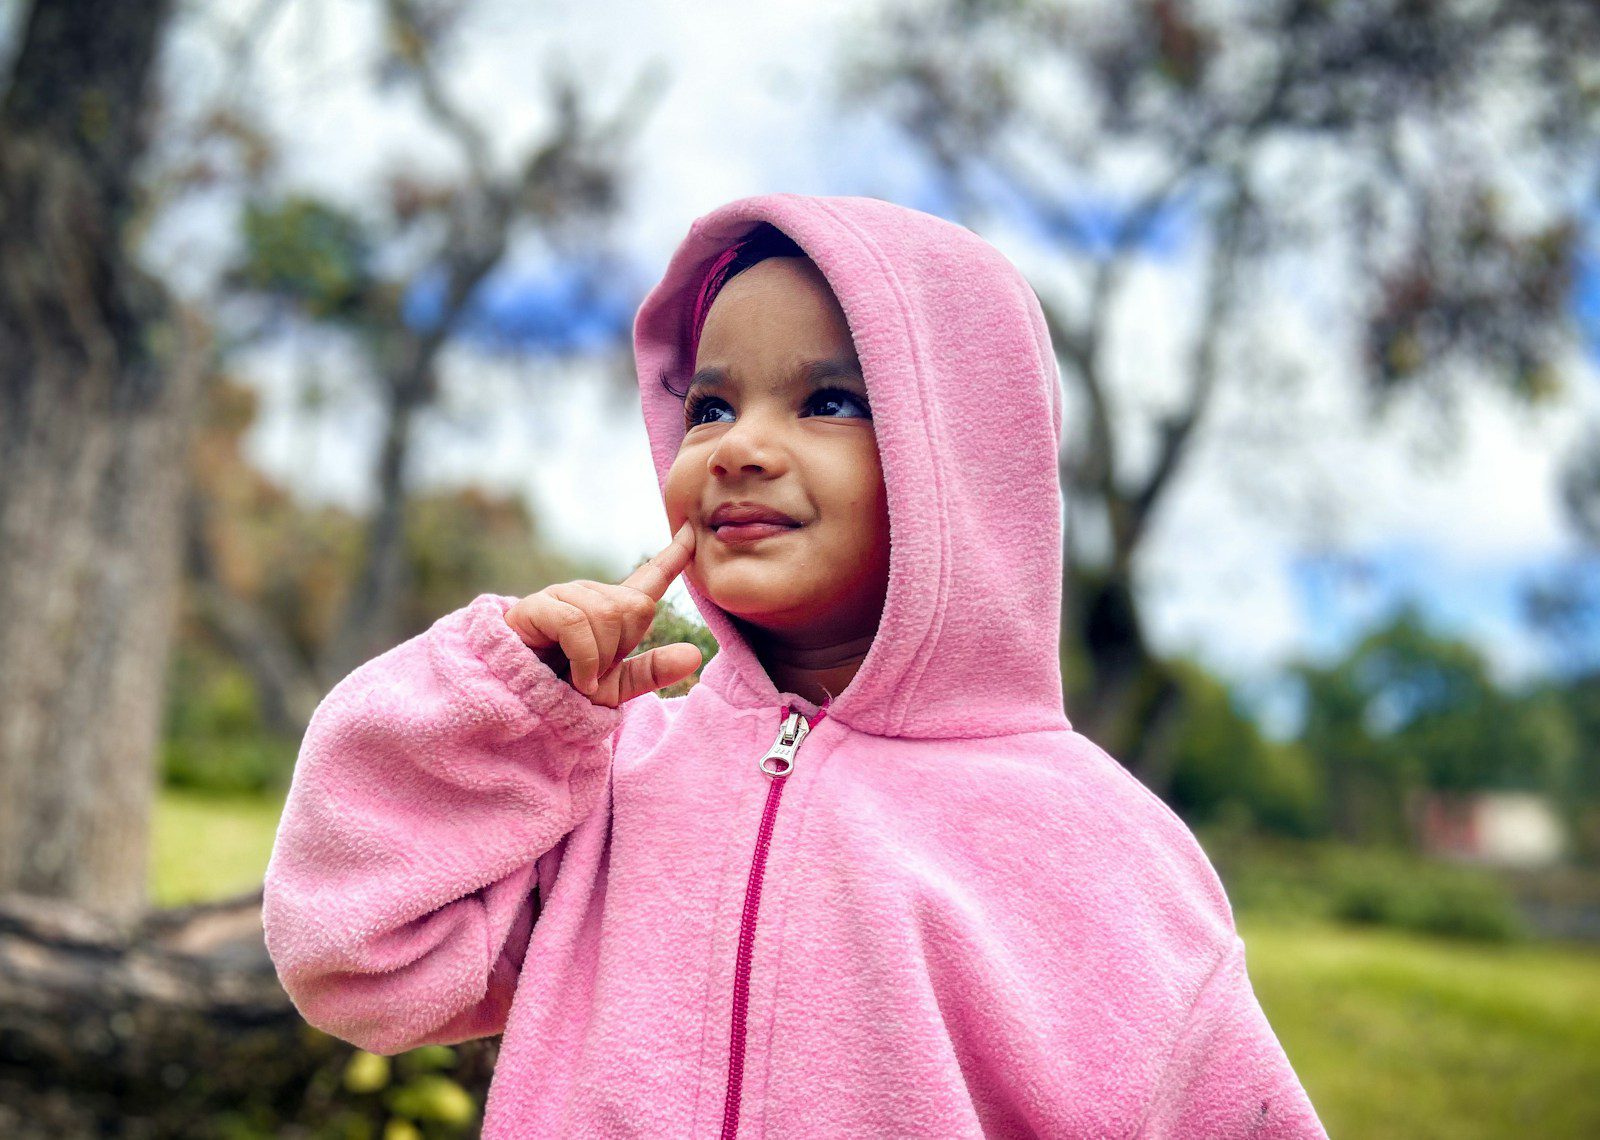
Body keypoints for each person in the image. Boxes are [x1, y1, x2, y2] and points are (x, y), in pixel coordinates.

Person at [262, 192, 1329, 1138]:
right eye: (710, 406)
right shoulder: (606, 773)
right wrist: (506, 707)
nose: (737, 446)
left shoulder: (1102, 851)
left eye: (829, 400)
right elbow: (354, 957)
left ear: (963, 458)